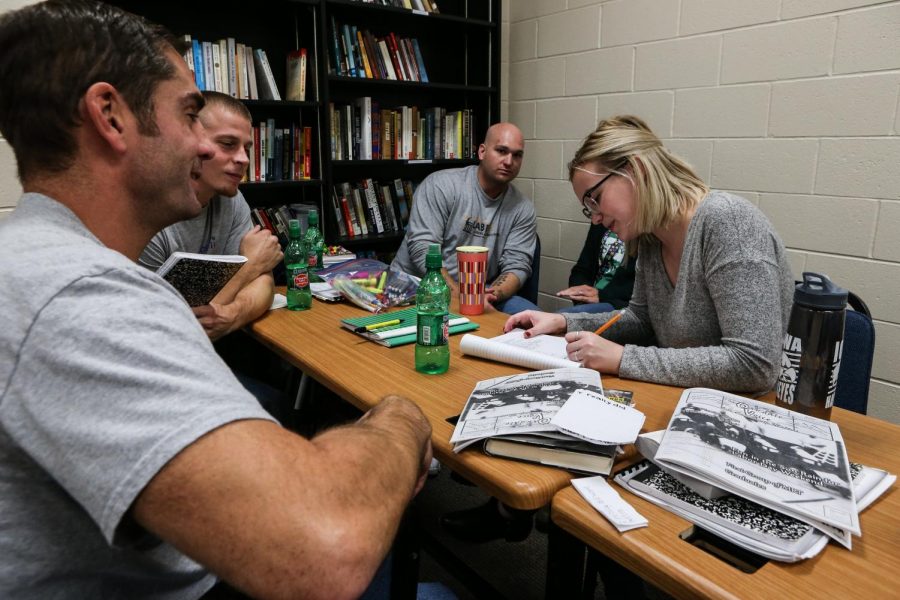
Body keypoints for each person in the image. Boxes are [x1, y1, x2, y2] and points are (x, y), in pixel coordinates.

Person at [0, 3, 431, 598]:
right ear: (110, 116)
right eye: (189, 113)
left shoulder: (48, 263)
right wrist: (403, 416)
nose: (203, 148)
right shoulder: (76, 295)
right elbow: (324, 545)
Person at [506, 115, 794, 394]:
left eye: (595, 199)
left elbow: (755, 365)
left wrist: (622, 359)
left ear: (635, 170)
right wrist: (562, 322)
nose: (594, 218)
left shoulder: (728, 222)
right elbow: (641, 320)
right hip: (681, 397)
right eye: (588, 207)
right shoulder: (651, 237)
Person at [139, 90, 282, 342]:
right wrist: (250, 266)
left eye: (247, 148)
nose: (244, 159)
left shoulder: (231, 198)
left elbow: (264, 283)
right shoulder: (150, 214)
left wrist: (234, 315)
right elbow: (169, 331)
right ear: (193, 142)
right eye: (228, 144)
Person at [391, 122, 537, 314]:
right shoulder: (441, 185)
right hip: (415, 287)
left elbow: (518, 264)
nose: (509, 161)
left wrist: (493, 294)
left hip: (479, 295)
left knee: (531, 315)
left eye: (517, 155)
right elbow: (423, 249)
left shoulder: (522, 208)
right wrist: (461, 296)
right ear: (482, 152)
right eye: (501, 151)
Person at [556, 224, 635, 314]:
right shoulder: (600, 221)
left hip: (622, 306)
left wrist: (600, 296)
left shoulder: (643, 231)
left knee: (562, 317)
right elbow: (582, 269)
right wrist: (582, 295)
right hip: (593, 302)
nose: (595, 219)